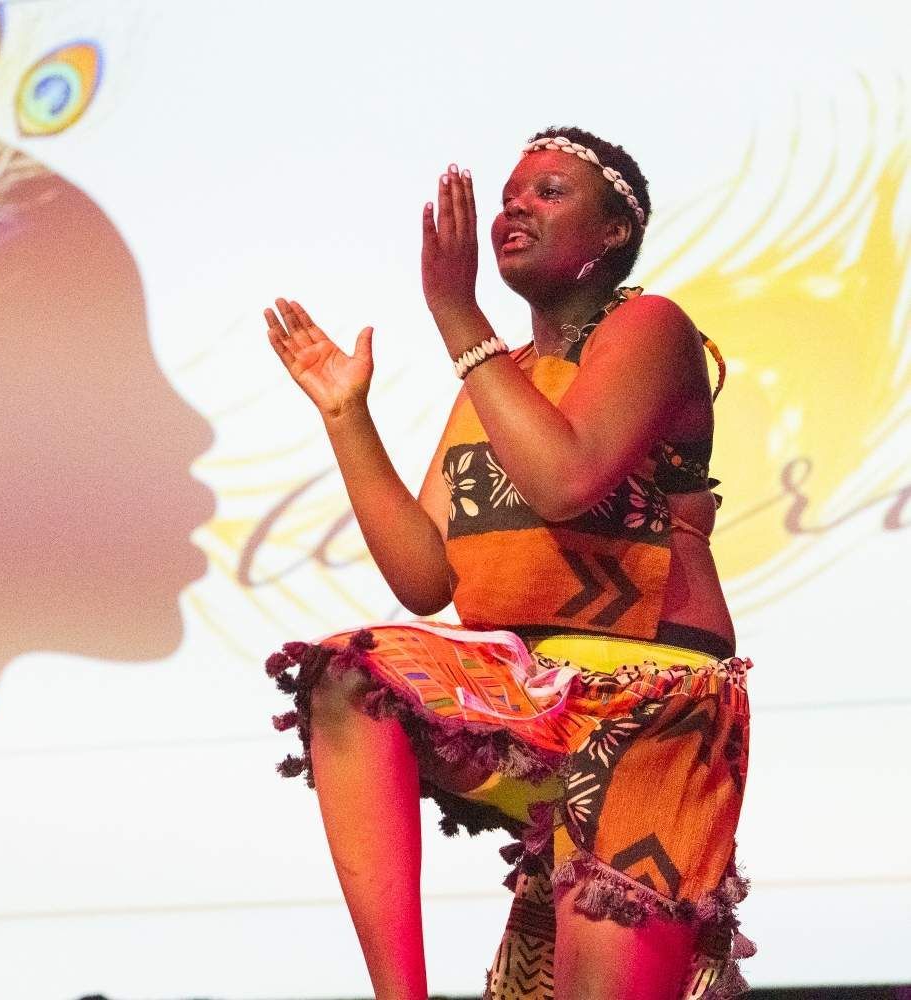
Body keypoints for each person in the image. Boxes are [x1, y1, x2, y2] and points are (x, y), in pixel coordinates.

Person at [264, 128, 752, 1000]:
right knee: (351, 675)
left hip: (652, 709)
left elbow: (565, 478)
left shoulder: (653, 329)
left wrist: (459, 318)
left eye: (549, 192)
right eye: (509, 195)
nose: (514, 207)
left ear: (613, 234)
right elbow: (426, 578)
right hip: (537, 695)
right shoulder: (501, 377)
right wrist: (347, 416)